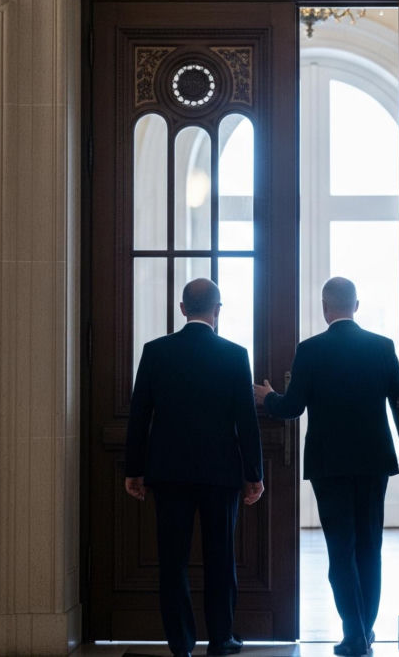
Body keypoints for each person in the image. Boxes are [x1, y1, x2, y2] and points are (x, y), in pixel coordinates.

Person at [254, 277, 399, 657]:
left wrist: (269, 397)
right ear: (357, 304)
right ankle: (366, 632)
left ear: (325, 307)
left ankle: (353, 634)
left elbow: (292, 407)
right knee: (371, 548)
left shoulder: (311, 350)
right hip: (375, 462)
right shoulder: (382, 347)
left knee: (341, 549)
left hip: (328, 465)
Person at [125, 278, 264, 657]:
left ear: (182, 308)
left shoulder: (155, 352)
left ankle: (181, 644)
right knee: (220, 558)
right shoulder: (235, 355)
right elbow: (246, 423)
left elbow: (139, 416)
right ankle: (221, 639)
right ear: (217, 311)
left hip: (168, 473)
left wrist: (133, 469)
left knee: (173, 562)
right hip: (220, 474)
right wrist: (255, 474)